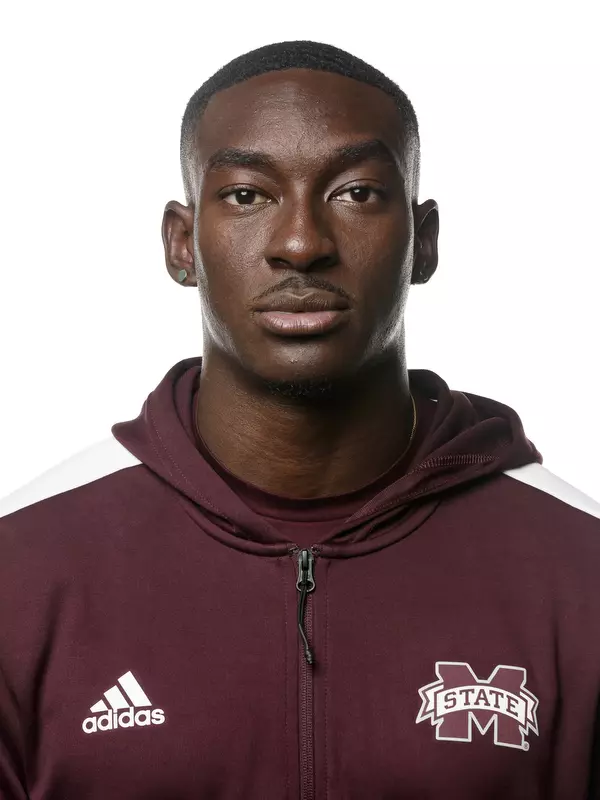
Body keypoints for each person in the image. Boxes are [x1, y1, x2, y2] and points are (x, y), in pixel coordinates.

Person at [0, 39, 599, 800]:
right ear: (182, 244)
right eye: (248, 195)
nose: (301, 245)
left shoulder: (580, 573)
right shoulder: (22, 576)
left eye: (356, 193)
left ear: (425, 242)